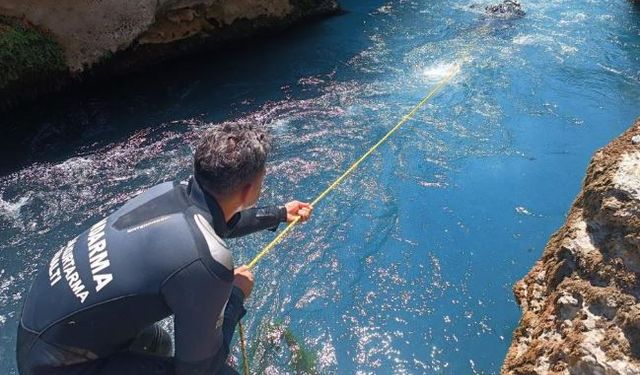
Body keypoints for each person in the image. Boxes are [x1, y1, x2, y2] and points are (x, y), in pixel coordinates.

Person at [16, 122, 312, 375]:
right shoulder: (208, 263)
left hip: (37, 330)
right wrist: (235, 295)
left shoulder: (166, 192)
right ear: (249, 189)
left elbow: (215, 220)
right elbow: (199, 371)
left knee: (157, 345)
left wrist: (278, 214)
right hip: (59, 367)